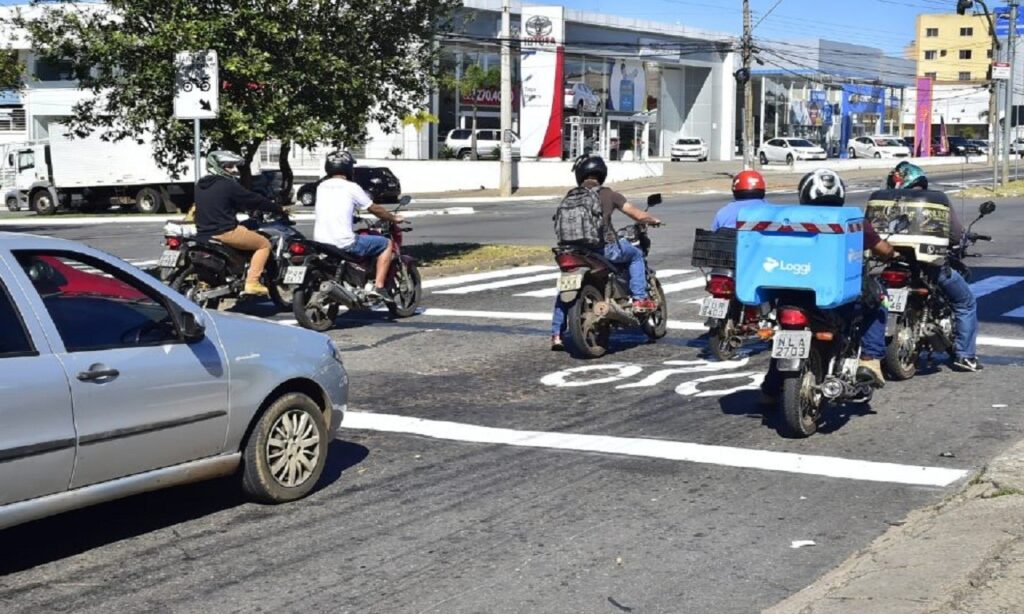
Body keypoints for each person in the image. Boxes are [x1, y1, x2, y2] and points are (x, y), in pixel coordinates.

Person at [760, 168, 897, 403]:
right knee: (879, 302)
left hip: (789, 298)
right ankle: (870, 361)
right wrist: (890, 253)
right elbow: (883, 251)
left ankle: (771, 390)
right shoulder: (851, 221)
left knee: (787, 340)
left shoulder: (787, 218)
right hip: (834, 302)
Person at [551, 154, 662, 350]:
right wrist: (652, 220)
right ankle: (639, 299)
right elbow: (635, 213)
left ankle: (556, 334)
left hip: (572, 251)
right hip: (602, 249)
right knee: (635, 255)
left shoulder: (571, 195)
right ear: (602, 174)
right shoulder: (609, 194)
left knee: (565, 288)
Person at [886, 161, 981, 371]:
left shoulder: (887, 202)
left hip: (893, 265)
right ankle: (966, 356)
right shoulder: (935, 201)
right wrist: (963, 240)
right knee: (966, 303)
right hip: (930, 268)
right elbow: (955, 235)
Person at [313, 150, 404, 299]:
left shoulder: (321, 186)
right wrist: (393, 218)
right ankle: (379, 287)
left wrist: (352, 217)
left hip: (321, 242)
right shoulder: (351, 187)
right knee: (386, 244)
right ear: (348, 167)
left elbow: (333, 207)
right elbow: (374, 208)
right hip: (344, 243)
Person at [195, 150, 283, 297]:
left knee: (244, 228)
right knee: (264, 244)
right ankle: (252, 282)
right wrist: (277, 208)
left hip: (203, 233)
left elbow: (220, 204)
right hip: (225, 232)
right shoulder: (228, 185)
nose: (234, 170)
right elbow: (252, 199)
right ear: (218, 166)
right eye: (230, 166)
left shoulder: (200, 185)